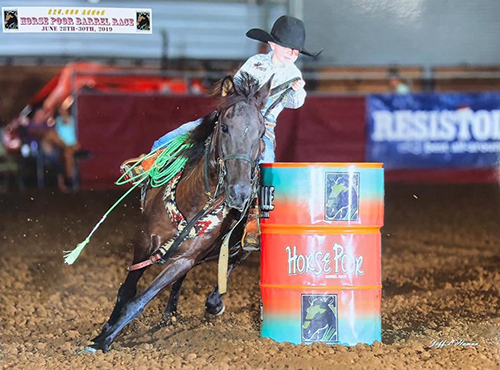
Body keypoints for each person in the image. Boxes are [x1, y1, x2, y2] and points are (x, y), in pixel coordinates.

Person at [124, 15, 322, 249]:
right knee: (185, 131)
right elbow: (235, 86)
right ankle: (150, 161)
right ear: (273, 45)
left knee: (267, 165)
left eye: (296, 51)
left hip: (262, 128)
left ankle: (253, 220)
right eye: (288, 48)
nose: (291, 54)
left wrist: (299, 91)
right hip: (233, 118)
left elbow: (296, 102)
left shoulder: (294, 75)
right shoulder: (255, 62)